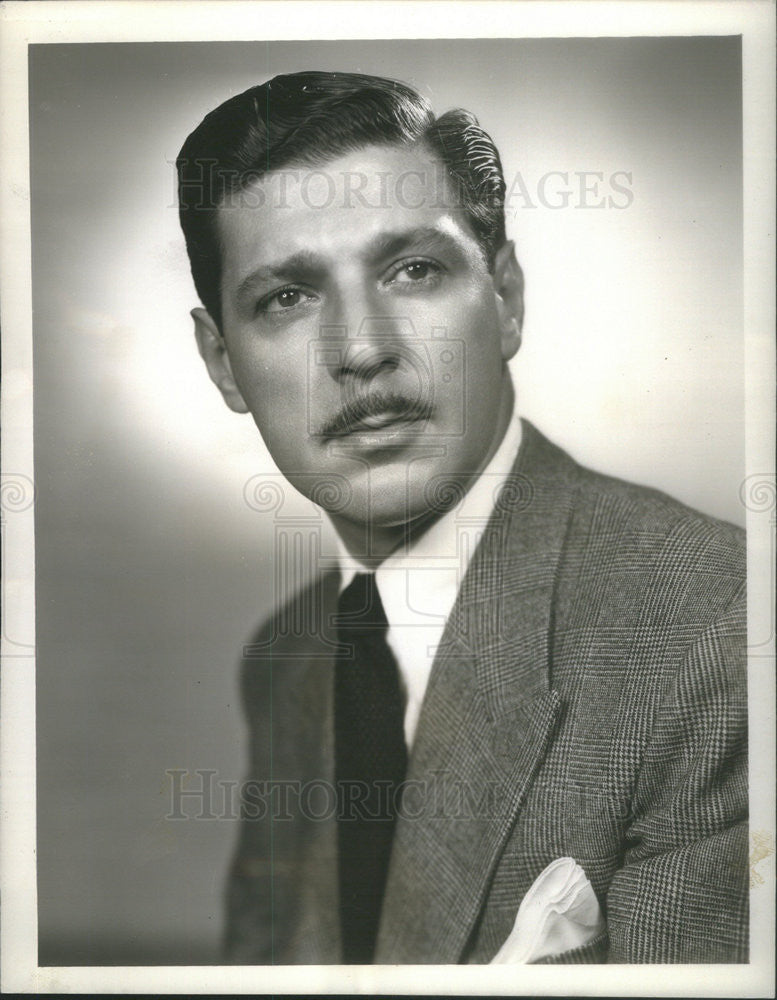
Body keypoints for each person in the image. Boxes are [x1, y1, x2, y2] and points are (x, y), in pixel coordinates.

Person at [176, 71, 748, 965]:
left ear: (505, 297)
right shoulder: (286, 660)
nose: (362, 349)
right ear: (222, 364)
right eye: (286, 297)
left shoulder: (722, 628)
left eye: (412, 270)